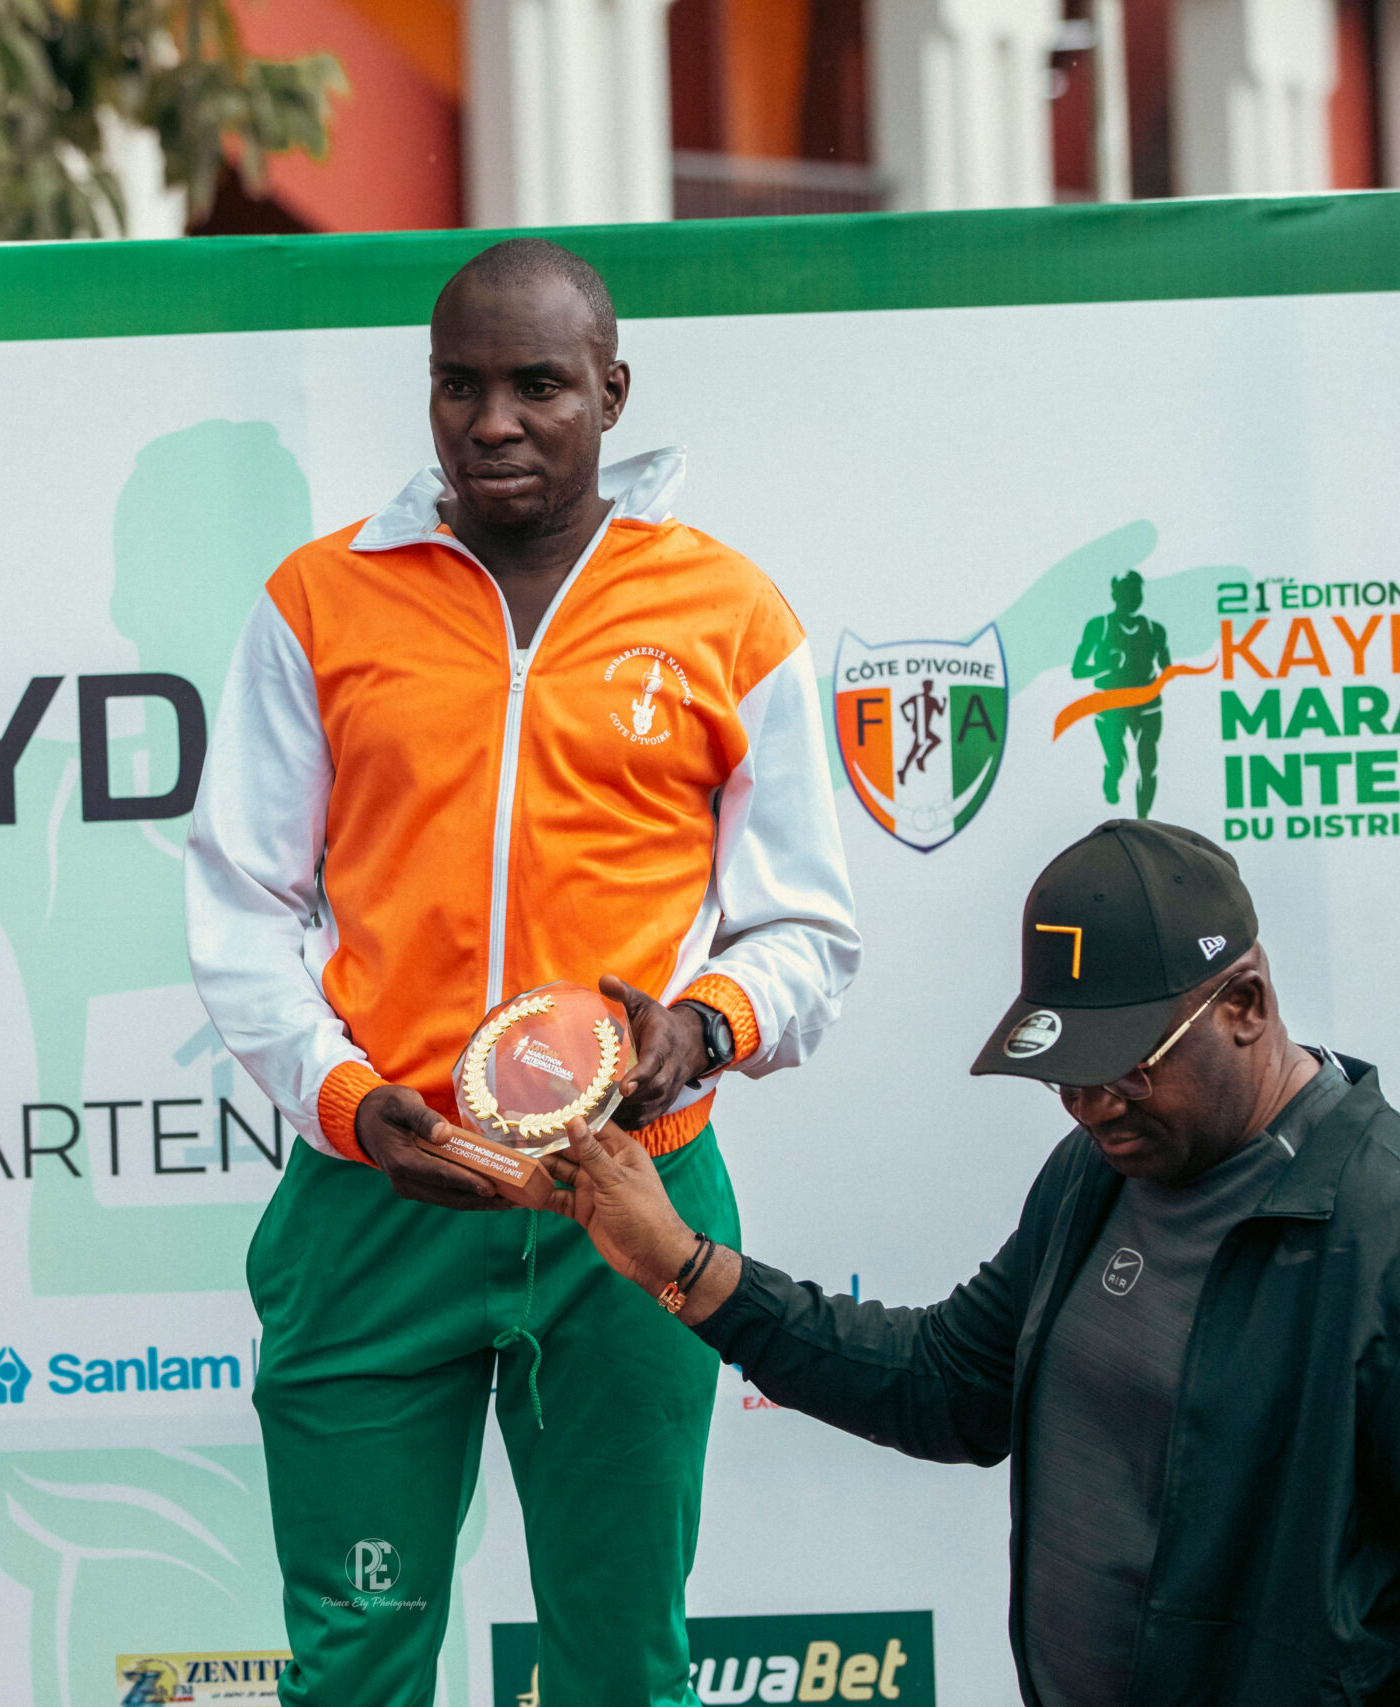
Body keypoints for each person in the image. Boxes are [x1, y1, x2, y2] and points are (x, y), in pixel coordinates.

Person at [184, 237, 861, 1706]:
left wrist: (703, 1026)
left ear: (612, 393)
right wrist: (347, 1101)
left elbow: (806, 928)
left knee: (622, 1666)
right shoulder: (321, 600)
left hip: (630, 1199)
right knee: (353, 1665)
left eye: (538, 386)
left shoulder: (725, 613)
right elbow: (241, 905)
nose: (492, 422)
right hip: (380, 1197)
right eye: (460, 385)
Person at [540, 819, 1400, 1706]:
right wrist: (681, 1263)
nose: (1091, 1105)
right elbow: (947, 1384)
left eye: (1124, 1069)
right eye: (1063, 1076)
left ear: (1243, 1007)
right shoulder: (1099, 1172)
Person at [1072, 570, 1172, 816]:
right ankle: (1111, 777)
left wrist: (1158, 671)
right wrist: (1106, 666)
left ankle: (1144, 821)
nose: (1133, 598)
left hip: (1147, 706)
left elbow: (1167, 667)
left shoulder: (1154, 629)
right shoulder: (1099, 626)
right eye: (1127, 592)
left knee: (1148, 765)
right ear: (1115, 595)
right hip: (1111, 705)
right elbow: (1077, 669)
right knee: (1119, 763)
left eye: (1137, 592)